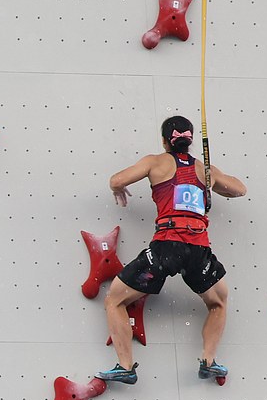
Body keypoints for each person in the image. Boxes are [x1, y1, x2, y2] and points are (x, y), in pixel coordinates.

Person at [96, 116, 246, 386]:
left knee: (115, 300)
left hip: (167, 247)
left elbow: (116, 180)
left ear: (166, 141)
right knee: (218, 302)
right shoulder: (204, 170)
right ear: (190, 141)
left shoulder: (156, 162)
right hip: (198, 251)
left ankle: (126, 366)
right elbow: (239, 190)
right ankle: (208, 360)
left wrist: (119, 188)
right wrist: (211, 179)